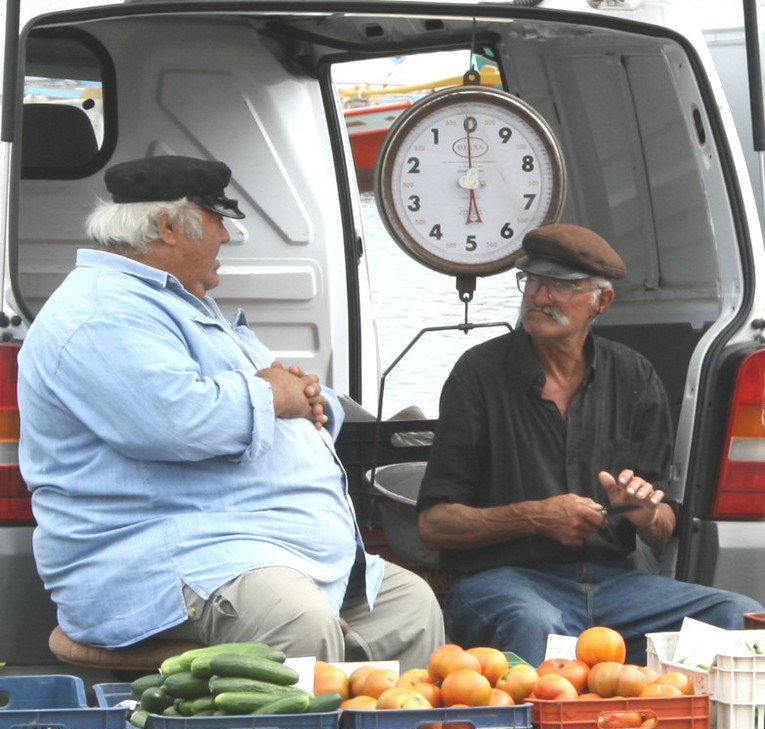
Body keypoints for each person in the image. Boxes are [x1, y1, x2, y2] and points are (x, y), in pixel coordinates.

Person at [18, 154, 444, 670]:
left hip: (261, 548)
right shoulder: (99, 314)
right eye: (217, 219)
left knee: (411, 609)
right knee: (298, 622)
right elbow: (178, 422)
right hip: (170, 556)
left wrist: (309, 399)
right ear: (168, 226)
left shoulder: (181, 304)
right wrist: (275, 397)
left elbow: (287, 393)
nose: (226, 236)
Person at [416, 223, 763, 666]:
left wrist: (645, 513)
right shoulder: (478, 374)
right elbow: (434, 525)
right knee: (534, 623)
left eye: (561, 287)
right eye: (533, 282)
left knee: (734, 615)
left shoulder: (633, 375)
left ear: (602, 300)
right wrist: (535, 517)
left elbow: (663, 524)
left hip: (617, 585)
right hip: (505, 580)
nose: (539, 298)